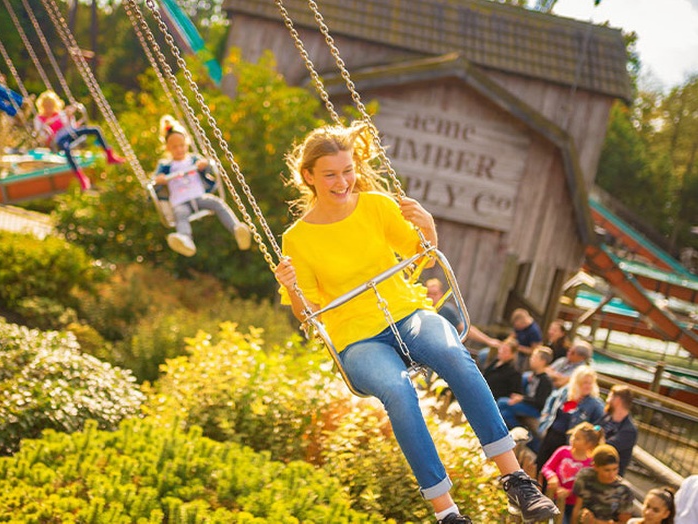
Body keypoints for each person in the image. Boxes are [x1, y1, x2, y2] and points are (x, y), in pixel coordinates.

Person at [274, 122, 559, 524]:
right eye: (330, 174)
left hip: (406, 311)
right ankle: (447, 513)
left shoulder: (377, 205)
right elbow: (309, 314)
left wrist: (427, 225)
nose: (343, 182)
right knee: (397, 388)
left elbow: (423, 257)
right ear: (309, 177)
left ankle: (515, 480)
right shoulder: (297, 238)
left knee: (453, 354)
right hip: (356, 336)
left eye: (348, 170)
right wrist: (292, 288)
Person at [153, 115, 251, 257]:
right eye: (174, 147)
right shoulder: (165, 165)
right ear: (167, 148)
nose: (179, 149)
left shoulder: (193, 159)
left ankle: (236, 229)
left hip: (199, 196)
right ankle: (185, 241)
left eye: (181, 146)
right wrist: (160, 179)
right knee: (180, 215)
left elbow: (208, 169)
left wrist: (204, 165)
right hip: (180, 202)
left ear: (186, 144)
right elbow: (156, 180)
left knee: (217, 203)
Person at [34, 90, 124, 191]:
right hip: (57, 140)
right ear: (42, 106)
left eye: (50, 105)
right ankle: (81, 177)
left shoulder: (60, 114)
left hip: (69, 133)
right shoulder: (39, 119)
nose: (49, 108)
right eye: (46, 105)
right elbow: (41, 136)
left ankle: (110, 156)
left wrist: (69, 116)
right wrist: (48, 128)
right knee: (66, 148)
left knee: (95, 130)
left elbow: (70, 126)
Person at [536, 366, 605, 468]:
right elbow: (551, 399)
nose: (587, 386)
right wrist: (545, 416)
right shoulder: (566, 392)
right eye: (584, 383)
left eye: (590, 383)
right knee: (541, 466)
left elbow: (598, 427)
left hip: (569, 442)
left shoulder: (596, 405)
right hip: (551, 434)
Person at [541, 422, 606, 523]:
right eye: (573, 436)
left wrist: (570, 492)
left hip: (572, 505)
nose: (572, 439)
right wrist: (552, 476)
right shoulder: (562, 451)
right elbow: (547, 467)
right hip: (552, 497)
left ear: (588, 444)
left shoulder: (590, 464)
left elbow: (587, 486)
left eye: (577, 438)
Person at [425, 277, 501, 349]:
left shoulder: (446, 310)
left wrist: (489, 341)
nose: (431, 296)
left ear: (441, 294)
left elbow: (465, 328)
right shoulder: (420, 308)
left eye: (434, 294)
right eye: (428, 293)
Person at [572, 445, 635, 524]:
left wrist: (595, 522)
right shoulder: (585, 477)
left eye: (615, 469)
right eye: (607, 470)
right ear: (595, 467)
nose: (612, 474)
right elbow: (577, 507)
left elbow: (624, 522)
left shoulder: (624, 490)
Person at [498, 346, 554, 430]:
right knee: (505, 414)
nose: (531, 359)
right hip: (526, 404)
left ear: (543, 361)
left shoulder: (545, 380)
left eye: (534, 357)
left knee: (502, 402)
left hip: (535, 409)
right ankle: (522, 432)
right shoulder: (532, 375)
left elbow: (540, 402)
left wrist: (522, 399)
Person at [599, 385, 638, 476]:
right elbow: (595, 428)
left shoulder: (629, 430)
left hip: (611, 474)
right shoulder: (607, 417)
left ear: (618, 400)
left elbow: (608, 447)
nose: (607, 400)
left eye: (610, 396)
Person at [483, 337, 523, 401]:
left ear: (512, 354)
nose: (501, 352)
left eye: (505, 351)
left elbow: (514, 394)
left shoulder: (515, 372)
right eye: (501, 349)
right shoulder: (495, 361)